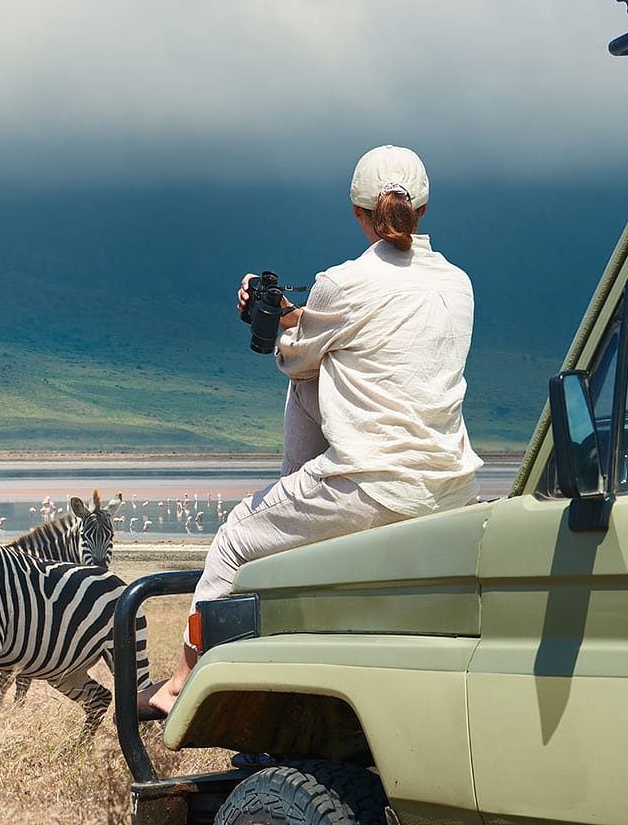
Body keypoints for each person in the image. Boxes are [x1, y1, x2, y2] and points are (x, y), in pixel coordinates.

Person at [140, 145, 482, 719]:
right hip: (450, 492)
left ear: (357, 212)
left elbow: (297, 360)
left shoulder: (342, 282)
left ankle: (181, 680)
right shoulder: (460, 285)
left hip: (368, 488)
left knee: (233, 539)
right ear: (424, 209)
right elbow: (365, 332)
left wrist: (268, 316)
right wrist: (296, 313)